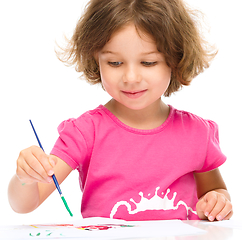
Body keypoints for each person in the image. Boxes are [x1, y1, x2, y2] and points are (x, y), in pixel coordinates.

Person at [8, 0, 233, 221]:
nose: (131, 78)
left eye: (148, 63)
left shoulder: (196, 134)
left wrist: (216, 202)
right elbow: (25, 204)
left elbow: (215, 194)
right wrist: (25, 177)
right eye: (115, 63)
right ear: (96, 59)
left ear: (175, 59)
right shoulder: (85, 132)